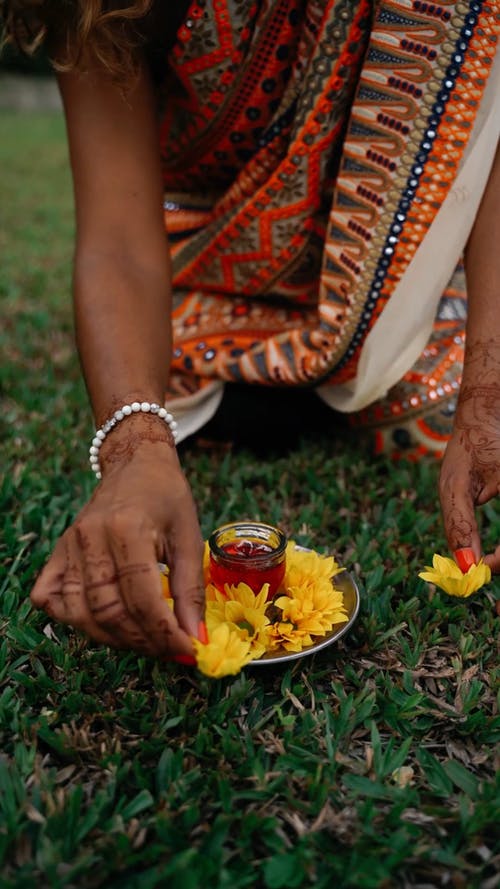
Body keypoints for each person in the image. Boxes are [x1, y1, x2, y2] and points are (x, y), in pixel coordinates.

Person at [2, 1, 499, 661]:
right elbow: (118, 243)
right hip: (206, 278)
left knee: (435, 407)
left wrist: (487, 391)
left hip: (384, 287)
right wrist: (135, 445)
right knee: (150, 386)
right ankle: (287, 381)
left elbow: (479, 117)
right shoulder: (98, 9)